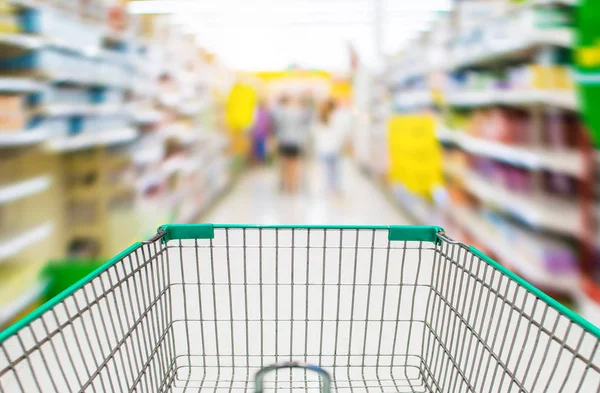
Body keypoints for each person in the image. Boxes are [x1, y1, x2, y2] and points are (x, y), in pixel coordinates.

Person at [312, 98, 348, 195]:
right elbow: (342, 132)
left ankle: (329, 189)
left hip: (323, 148)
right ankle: (336, 189)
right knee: (336, 170)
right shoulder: (337, 117)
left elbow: (315, 133)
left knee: (327, 171)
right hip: (335, 147)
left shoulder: (320, 118)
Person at [274, 94, 308, 193]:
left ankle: (288, 184)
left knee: (285, 164)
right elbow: (303, 127)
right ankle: (293, 185)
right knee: (294, 164)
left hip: (285, 141)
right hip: (295, 142)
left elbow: (278, 127)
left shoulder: (281, 112)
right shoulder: (299, 112)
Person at [250, 99, 272, 164]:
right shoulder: (265, 113)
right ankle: (260, 159)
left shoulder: (257, 113)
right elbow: (268, 123)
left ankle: (259, 159)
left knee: (259, 146)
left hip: (259, 133)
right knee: (260, 146)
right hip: (261, 133)